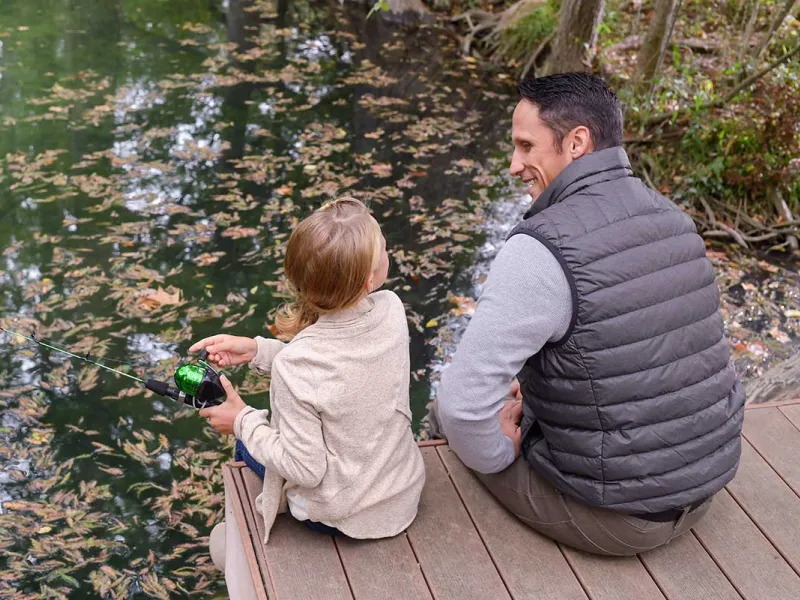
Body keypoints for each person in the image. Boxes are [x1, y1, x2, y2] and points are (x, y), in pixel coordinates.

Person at [436, 72, 745, 556]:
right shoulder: (675, 221)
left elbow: (460, 407)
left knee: (448, 416)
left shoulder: (542, 248)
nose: (514, 165)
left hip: (619, 520)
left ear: (576, 141)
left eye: (525, 146)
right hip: (705, 489)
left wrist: (502, 449)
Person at [194, 198, 424, 561]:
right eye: (383, 248)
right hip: (401, 492)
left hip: (343, 516)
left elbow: (305, 468)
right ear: (368, 280)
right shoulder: (391, 311)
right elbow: (342, 370)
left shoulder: (298, 366)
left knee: (246, 444)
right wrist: (259, 351)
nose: (387, 252)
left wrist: (241, 420)